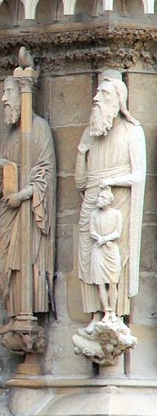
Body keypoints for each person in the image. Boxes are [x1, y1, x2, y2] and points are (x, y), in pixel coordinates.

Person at [74, 71, 145, 323]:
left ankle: (114, 316)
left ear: (118, 100)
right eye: (96, 93)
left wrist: (112, 181)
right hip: (91, 203)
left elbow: (138, 177)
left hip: (117, 202)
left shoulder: (132, 133)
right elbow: (80, 183)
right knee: (88, 260)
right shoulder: (88, 135)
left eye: (102, 94)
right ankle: (95, 313)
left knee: (114, 261)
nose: (95, 98)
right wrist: (82, 154)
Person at [0, 75, 55, 331]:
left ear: (22, 96)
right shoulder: (11, 133)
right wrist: (1, 168)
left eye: (8, 92)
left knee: (25, 260)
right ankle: (14, 313)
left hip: (27, 209)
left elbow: (45, 174)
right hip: (10, 209)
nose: (3, 99)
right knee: (5, 263)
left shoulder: (38, 128)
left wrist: (24, 194)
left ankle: (25, 314)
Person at [88, 186, 123, 316]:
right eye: (99, 196)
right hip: (98, 249)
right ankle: (106, 311)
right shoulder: (94, 214)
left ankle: (113, 311)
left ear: (109, 200)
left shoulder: (116, 213)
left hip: (110, 249)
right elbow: (92, 231)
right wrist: (100, 239)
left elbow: (117, 232)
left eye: (102, 197)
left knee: (113, 282)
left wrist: (105, 239)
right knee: (100, 283)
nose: (99, 199)